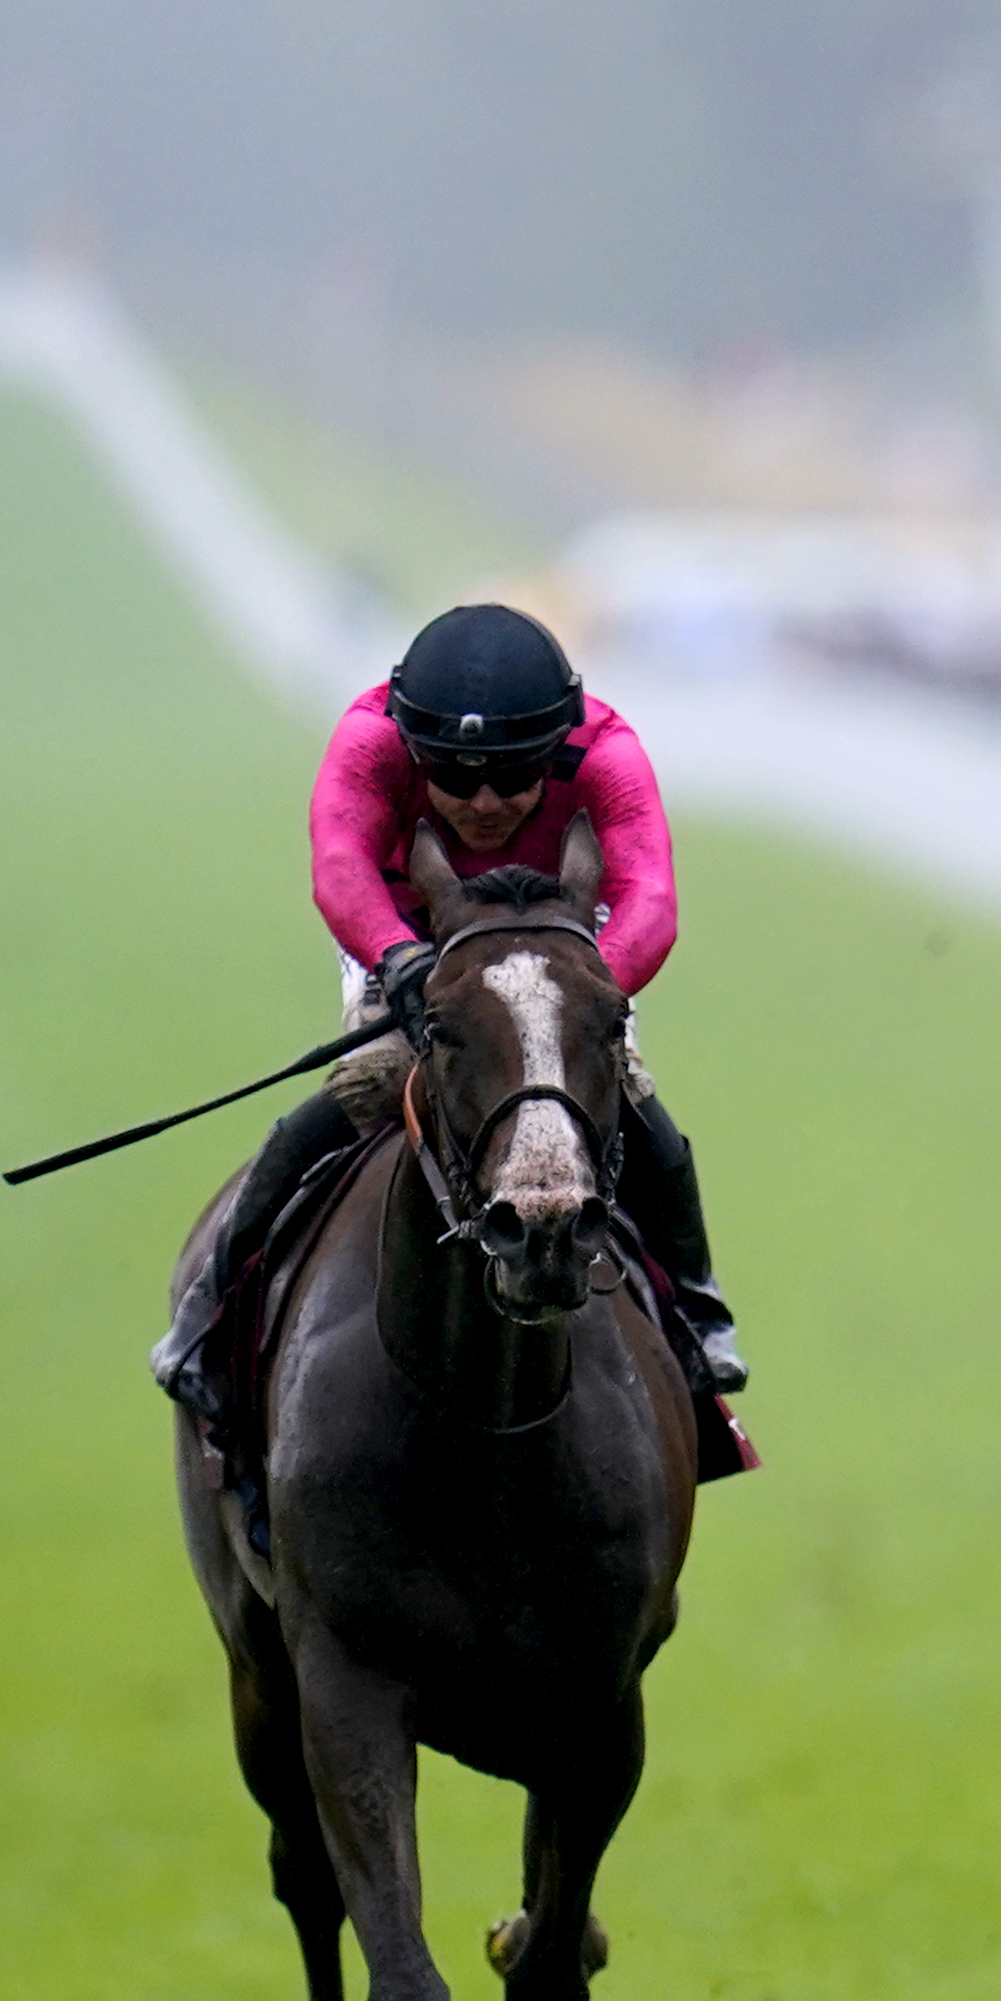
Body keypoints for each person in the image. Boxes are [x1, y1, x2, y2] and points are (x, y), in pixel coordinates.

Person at [152, 601, 741, 1417]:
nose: (486, 802)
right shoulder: (368, 743)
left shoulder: (609, 755)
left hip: (562, 949)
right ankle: (208, 1313)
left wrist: (576, 993)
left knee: (638, 1108)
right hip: (408, 929)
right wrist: (396, 958)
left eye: (513, 777)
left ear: (557, 750)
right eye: (456, 779)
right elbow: (341, 866)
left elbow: (651, 897)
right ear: (414, 751)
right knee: (364, 1089)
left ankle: (700, 1316)